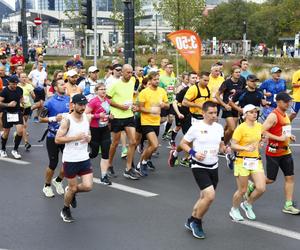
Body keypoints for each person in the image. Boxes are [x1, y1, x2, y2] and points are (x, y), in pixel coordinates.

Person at [180, 101, 229, 239]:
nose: (214, 116)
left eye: (216, 113)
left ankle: (191, 219)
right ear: (203, 113)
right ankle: (197, 222)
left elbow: (221, 144)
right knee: (210, 196)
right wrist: (193, 153)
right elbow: (183, 143)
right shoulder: (196, 127)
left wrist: (225, 149)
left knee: (204, 197)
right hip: (198, 166)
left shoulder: (219, 127)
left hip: (214, 166)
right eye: (211, 113)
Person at [55, 94, 93, 223]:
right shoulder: (67, 120)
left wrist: (88, 138)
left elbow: (89, 136)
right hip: (70, 159)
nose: (83, 107)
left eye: (84, 105)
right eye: (80, 104)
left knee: (88, 186)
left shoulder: (87, 118)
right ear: (73, 105)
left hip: (84, 157)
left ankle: (71, 191)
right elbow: (58, 139)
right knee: (73, 187)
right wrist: (74, 138)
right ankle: (65, 209)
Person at [262, 92, 300, 215]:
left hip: (286, 151)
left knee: (290, 177)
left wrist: (290, 136)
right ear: (278, 102)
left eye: (289, 101)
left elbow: (283, 131)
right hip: (273, 152)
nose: (288, 104)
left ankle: (288, 205)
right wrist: (278, 138)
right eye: (286, 102)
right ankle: (254, 185)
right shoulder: (273, 116)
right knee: (270, 179)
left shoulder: (285, 115)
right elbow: (262, 131)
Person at [229, 104, 266, 221]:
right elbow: (233, 145)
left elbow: (261, 138)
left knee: (261, 188)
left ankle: (247, 204)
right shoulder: (241, 128)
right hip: (242, 161)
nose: (255, 114)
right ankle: (234, 209)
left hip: (255, 160)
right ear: (245, 115)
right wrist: (245, 148)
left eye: (255, 112)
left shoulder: (259, 126)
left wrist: (261, 143)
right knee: (242, 190)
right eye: (251, 112)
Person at [106, 64, 139, 180]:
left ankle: (128, 168)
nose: (130, 75)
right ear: (122, 72)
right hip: (117, 116)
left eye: (131, 72)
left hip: (129, 116)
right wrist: (119, 106)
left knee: (133, 142)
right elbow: (107, 98)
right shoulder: (115, 84)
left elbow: (132, 95)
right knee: (115, 143)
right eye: (127, 72)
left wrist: (134, 105)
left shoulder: (133, 80)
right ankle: (109, 164)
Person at [39, 79, 70, 197]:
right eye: (61, 84)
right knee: (53, 163)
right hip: (53, 136)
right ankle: (46, 186)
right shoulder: (49, 102)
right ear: (55, 88)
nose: (64, 86)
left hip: (66, 136)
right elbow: (40, 118)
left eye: (64, 84)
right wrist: (53, 119)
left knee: (68, 163)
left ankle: (58, 181)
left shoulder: (69, 99)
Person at [136, 71, 169, 176]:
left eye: (158, 79)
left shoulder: (162, 91)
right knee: (155, 145)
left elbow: (168, 105)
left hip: (156, 122)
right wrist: (151, 110)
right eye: (155, 79)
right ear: (150, 81)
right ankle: (144, 162)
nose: (157, 81)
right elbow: (140, 108)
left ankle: (140, 164)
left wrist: (164, 105)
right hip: (146, 122)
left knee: (151, 146)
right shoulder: (144, 92)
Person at [85, 83, 112, 185]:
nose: (103, 91)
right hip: (94, 130)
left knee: (105, 151)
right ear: (96, 91)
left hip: (104, 129)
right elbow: (85, 114)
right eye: (101, 89)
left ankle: (103, 176)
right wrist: (97, 115)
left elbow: (106, 114)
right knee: (94, 153)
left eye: (104, 89)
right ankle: (83, 159)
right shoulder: (93, 102)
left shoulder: (107, 101)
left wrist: (110, 116)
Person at [216, 65, 246, 145]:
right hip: (227, 107)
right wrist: (224, 105)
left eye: (239, 72)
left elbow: (243, 93)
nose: (238, 74)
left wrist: (240, 105)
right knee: (232, 128)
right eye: (236, 72)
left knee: (229, 128)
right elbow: (217, 95)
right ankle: (224, 145)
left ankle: (222, 139)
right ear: (232, 73)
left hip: (236, 107)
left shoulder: (242, 81)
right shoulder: (227, 82)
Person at [0, 75, 24, 159]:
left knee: (20, 131)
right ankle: (3, 149)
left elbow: (21, 98)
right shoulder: (4, 91)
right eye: (13, 84)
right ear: (9, 83)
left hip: (17, 112)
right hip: (7, 113)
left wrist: (22, 103)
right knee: (6, 132)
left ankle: (15, 150)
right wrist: (8, 104)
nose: (15, 85)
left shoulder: (19, 89)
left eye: (16, 83)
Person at [159, 62, 177, 140]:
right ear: (165, 69)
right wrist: (164, 91)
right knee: (163, 119)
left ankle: (165, 133)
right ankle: (151, 126)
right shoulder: (161, 78)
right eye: (169, 67)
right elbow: (158, 90)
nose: (170, 69)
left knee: (171, 118)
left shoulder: (174, 78)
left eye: (172, 67)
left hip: (171, 101)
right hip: (164, 101)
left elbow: (175, 89)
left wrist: (174, 91)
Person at [18, 72, 35, 150]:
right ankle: (26, 142)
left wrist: (32, 93)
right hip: (20, 107)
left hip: (27, 107)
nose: (24, 78)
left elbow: (34, 97)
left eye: (25, 77)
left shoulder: (29, 86)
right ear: (19, 78)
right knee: (24, 125)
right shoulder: (17, 86)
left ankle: (18, 132)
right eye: (22, 77)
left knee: (24, 122)